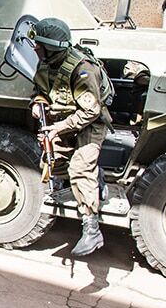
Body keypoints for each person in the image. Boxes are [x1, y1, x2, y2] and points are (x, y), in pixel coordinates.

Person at [29, 18, 110, 256]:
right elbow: (40, 90)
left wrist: (58, 128)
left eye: (39, 44)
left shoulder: (83, 70)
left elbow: (91, 111)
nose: (34, 48)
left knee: (81, 168)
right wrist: (37, 103)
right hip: (64, 120)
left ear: (50, 47)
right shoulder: (46, 63)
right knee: (50, 159)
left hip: (90, 123)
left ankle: (92, 230)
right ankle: (96, 180)